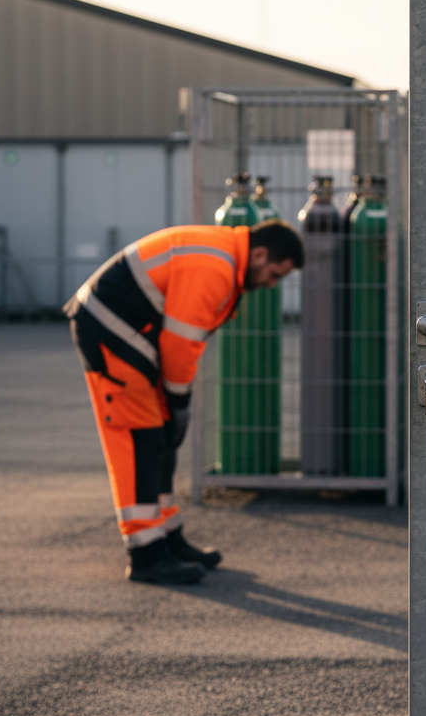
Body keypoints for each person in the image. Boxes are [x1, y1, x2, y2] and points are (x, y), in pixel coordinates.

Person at [66, 220, 304, 584]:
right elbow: (179, 345)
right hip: (111, 328)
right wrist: (179, 403)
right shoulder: (215, 265)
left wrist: (174, 407)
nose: (271, 285)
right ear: (259, 254)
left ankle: (168, 539)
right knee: (140, 439)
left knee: (158, 435)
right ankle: (146, 553)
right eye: (274, 274)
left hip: (124, 327)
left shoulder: (224, 256)